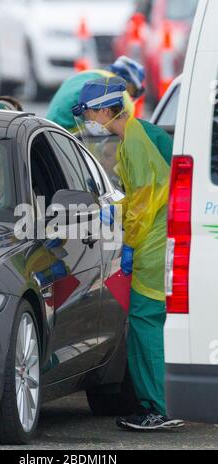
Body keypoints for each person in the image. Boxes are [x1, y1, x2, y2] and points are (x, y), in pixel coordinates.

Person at [72, 76, 184, 431]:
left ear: (106, 109)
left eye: (90, 112)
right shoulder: (140, 135)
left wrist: (131, 243)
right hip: (161, 239)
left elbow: (143, 204)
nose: (89, 119)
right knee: (150, 323)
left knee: (144, 323)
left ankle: (159, 408)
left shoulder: (135, 142)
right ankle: (164, 403)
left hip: (152, 245)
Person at [46, 56, 145, 133]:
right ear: (130, 84)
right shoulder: (122, 96)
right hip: (70, 142)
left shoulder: (81, 76)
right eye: (136, 91)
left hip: (46, 132)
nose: (132, 96)